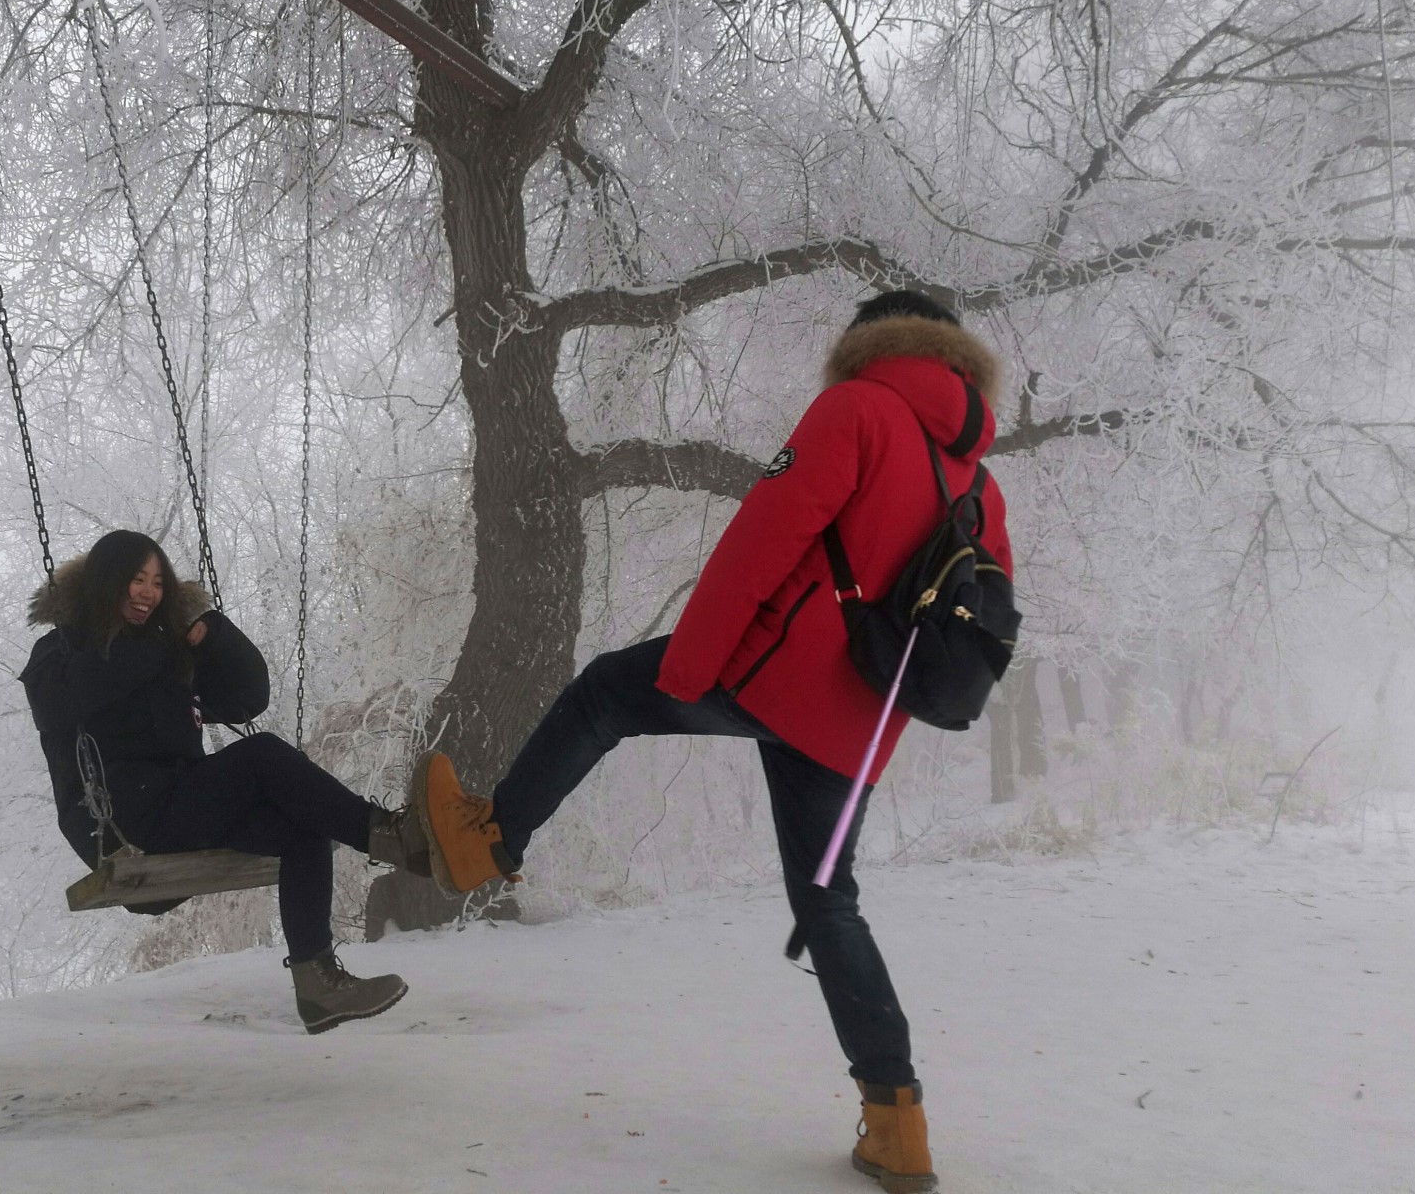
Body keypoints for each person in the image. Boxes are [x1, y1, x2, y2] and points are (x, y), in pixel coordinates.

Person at [412, 291, 1012, 1194]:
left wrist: (694, 665)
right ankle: (897, 1124)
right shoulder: (978, 478)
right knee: (829, 903)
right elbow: (986, 616)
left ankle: (484, 841)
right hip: (863, 716)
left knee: (607, 693)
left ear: (872, 341)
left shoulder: (856, 407)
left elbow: (764, 536)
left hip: (778, 670)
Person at [21, 529, 432, 1034]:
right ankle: (389, 835)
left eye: (156, 582)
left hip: (178, 806)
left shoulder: (165, 654)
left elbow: (245, 698)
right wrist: (162, 644)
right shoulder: (61, 652)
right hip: (124, 824)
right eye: (135, 579)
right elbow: (57, 706)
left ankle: (319, 983)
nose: (148, 592)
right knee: (262, 756)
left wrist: (209, 634)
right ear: (108, 583)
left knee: (301, 826)